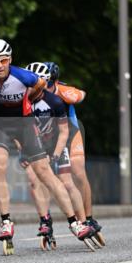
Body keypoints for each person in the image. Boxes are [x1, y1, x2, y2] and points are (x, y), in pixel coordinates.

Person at [0, 38, 96, 252]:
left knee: (45, 173)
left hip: (23, 123)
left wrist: (26, 103)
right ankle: (6, 221)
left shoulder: (23, 76)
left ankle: (75, 222)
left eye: (3, 60)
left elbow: (41, 86)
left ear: (10, 59)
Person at [22, 62, 91, 248]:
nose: (32, 89)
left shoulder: (57, 99)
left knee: (69, 180)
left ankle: (85, 221)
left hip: (61, 140)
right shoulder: (21, 101)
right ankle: (45, 221)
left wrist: (57, 153)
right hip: (38, 143)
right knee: (34, 179)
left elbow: (64, 132)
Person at [44, 61, 104, 241]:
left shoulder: (62, 90)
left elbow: (82, 94)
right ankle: (46, 221)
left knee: (77, 171)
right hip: (48, 137)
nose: (45, 88)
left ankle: (89, 218)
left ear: (55, 81)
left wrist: (72, 95)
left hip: (70, 133)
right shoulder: (33, 92)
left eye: (49, 84)